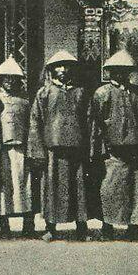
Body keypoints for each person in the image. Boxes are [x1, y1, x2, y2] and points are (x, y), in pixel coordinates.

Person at [89, 49, 138, 241]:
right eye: (116, 70)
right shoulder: (102, 93)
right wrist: (96, 150)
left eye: (125, 71)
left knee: (136, 189)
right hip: (112, 151)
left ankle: (134, 226)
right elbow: (95, 123)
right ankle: (107, 225)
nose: (121, 74)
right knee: (110, 188)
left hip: (136, 149)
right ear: (110, 72)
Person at [28, 50, 91, 242]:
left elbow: (89, 120)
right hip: (53, 148)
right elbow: (35, 122)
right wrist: (38, 151)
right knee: (52, 188)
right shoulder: (44, 92)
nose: (62, 70)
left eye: (66, 66)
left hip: (76, 147)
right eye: (58, 66)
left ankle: (81, 227)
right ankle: (51, 228)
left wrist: (89, 146)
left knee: (79, 188)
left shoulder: (81, 91)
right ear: (52, 70)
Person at [0, 56, 37, 238]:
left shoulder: (25, 99)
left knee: (25, 186)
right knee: (5, 186)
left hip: (22, 147)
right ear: (0, 80)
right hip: (2, 148)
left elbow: (32, 123)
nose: (9, 82)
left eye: (13, 78)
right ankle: (4, 226)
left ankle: (28, 224)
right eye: (6, 78)